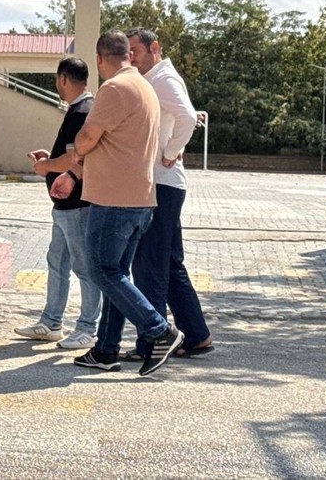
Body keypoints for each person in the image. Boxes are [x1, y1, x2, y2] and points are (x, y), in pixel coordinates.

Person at [51, 31, 183, 376]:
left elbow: (88, 137)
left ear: (99, 58)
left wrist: (76, 152)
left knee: (102, 271)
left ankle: (160, 331)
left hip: (114, 200)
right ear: (128, 54)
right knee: (117, 273)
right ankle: (106, 349)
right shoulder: (145, 88)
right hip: (141, 198)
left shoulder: (114, 89)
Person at [123, 28, 213, 360]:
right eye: (128, 51)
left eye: (135, 50)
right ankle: (197, 334)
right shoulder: (155, 78)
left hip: (162, 182)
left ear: (154, 48)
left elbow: (189, 117)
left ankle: (152, 343)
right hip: (166, 183)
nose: (131, 56)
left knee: (149, 265)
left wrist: (170, 152)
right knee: (170, 263)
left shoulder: (164, 79)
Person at [14, 57, 102, 350]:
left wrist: (46, 166)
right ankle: (51, 322)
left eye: (57, 81)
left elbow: (75, 158)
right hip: (66, 206)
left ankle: (88, 327)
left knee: (83, 267)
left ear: (63, 79)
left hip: (76, 205)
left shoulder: (82, 111)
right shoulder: (81, 109)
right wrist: (50, 159)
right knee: (58, 262)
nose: (57, 86)